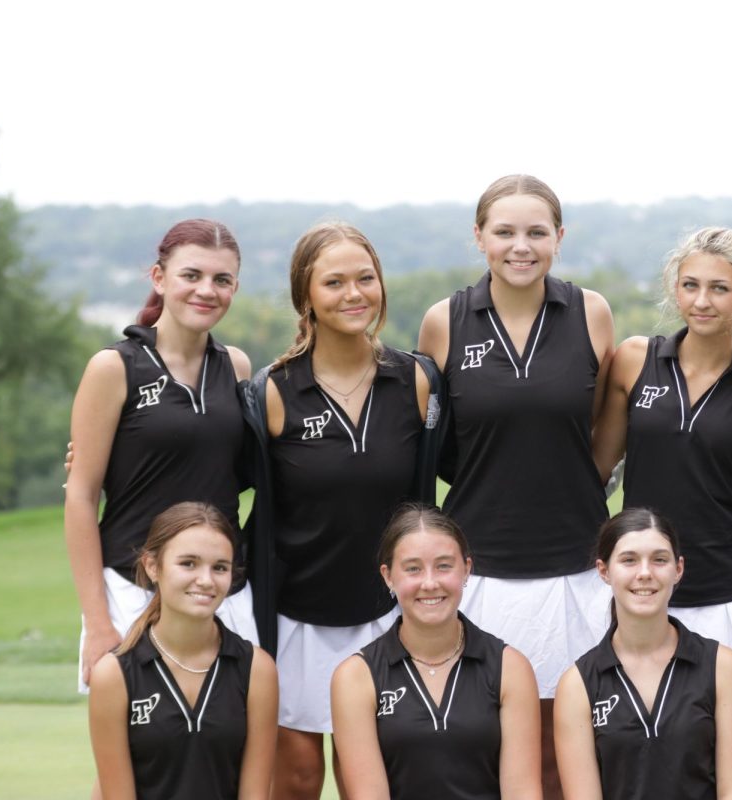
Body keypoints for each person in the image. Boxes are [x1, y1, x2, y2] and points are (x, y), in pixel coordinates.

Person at [417, 174, 615, 796]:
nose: (520, 246)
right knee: (479, 748)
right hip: (479, 569)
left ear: (559, 237)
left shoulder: (591, 311)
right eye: (504, 232)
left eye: (536, 232)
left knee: (564, 752)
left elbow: (603, 438)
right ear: (480, 237)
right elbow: (437, 446)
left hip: (575, 566)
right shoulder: (444, 321)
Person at [241, 222, 434, 799]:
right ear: (306, 297)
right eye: (334, 282)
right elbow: (209, 470)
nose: (354, 294)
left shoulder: (417, 380)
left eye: (365, 278)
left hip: (385, 615)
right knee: (297, 778)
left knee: (366, 779)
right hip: (295, 616)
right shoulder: (273, 391)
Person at [65, 219, 259, 695]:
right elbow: (81, 498)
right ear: (159, 278)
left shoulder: (235, 366)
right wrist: (99, 623)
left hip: (222, 590)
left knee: (229, 752)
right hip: (131, 592)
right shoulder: (114, 367)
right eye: (191, 275)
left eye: (222, 279)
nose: (206, 290)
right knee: (135, 760)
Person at [592, 226, 732, 685]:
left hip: (731, 580)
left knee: (728, 731)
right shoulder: (634, 359)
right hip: (644, 576)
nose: (702, 301)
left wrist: (720, 490)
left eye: (720, 288)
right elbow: (600, 462)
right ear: (674, 288)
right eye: (691, 285)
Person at [331, 504, 542, 799]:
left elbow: (522, 793)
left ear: (466, 569)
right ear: (388, 576)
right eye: (413, 569)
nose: (430, 583)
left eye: (444, 565)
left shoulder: (510, 668)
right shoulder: (356, 677)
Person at [554, 508, 732, 799]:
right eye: (629, 560)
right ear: (604, 571)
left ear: (678, 569)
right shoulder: (578, 684)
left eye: (659, 560)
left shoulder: (722, 667)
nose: (645, 573)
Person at [88, 501, 278, 799]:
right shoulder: (114, 676)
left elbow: (255, 794)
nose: (206, 580)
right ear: (153, 566)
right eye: (188, 563)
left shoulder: (257, 669)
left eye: (220, 567)